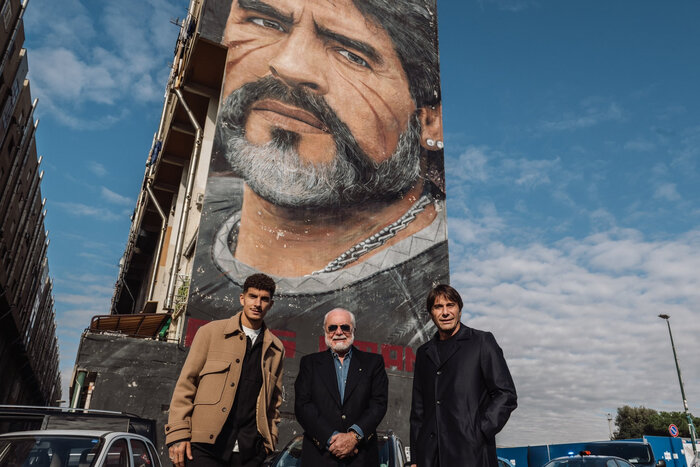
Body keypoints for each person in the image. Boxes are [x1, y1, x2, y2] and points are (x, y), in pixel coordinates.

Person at [209, 0, 447, 279]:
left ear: (431, 122)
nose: (288, 67)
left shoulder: (433, 295)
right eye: (266, 23)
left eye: (352, 55)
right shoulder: (198, 210)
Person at [165, 273, 284, 467]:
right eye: (253, 296)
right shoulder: (210, 332)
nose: (257, 304)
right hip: (203, 447)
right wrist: (178, 434)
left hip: (249, 452)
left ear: (270, 304)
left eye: (264, 299)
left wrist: (268, 443)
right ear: (242, 298)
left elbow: (274, 403)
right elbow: (186, 384)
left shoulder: (275, 349)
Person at [409, 284, 517, 467]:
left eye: (450, 305)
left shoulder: (482, 342)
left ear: (459, 310)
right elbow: (418, 411)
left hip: (472, 454)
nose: (445, 312)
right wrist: (416, 459)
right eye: (438, 307)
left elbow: (505, 394)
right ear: (431, 313)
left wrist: (480, 431)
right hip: (431, 457)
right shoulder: (423, 353)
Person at [295, 308, 388, 466]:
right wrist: (332, 439)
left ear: (353, 330)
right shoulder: (309, 363)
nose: (338, 332)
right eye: (332, 327)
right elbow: (302, 406)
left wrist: (353, 437)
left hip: (361, 458)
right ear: (325, 331)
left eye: (345, 327)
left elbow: (378, 404)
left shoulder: (373, 363)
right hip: (320, 458)